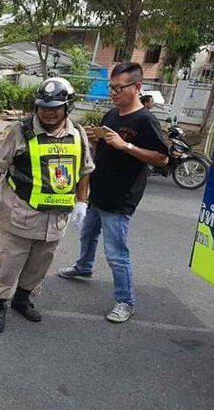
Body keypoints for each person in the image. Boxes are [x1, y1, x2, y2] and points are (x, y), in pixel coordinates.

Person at [0, 77, 95, 333]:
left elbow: (85, 170)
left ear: (68, 107)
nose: (49, 112)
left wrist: (82, 202)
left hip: (56, 218)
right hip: (21, 214)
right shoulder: (19, 131)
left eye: (55, 107)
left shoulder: (78, 134)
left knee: (39, 264)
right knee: (8, 263)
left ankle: (22, 298)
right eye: (43, 107)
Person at [59, 62, 169, 323]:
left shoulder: (145, 120)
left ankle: (126, 300)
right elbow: (106, 148)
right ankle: (83, 267)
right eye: (112, 87)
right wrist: (96, 140)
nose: (114, 92)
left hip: (121, 198)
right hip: (99, 190)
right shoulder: (111, 115)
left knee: (116, 253)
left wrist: (126, 145)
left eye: (119, 88)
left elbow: (162, 158)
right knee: (87, 234)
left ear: (137, 87)